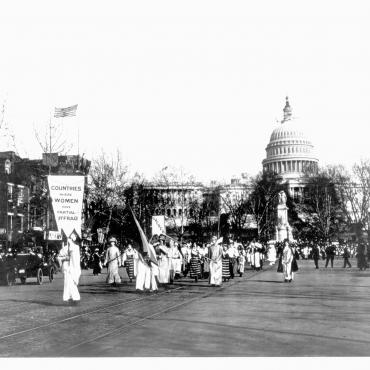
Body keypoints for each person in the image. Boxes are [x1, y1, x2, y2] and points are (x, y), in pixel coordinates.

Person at [57, 230, 81, 304]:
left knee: (72, 282)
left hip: (74, 266)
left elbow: (76, 258)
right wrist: (64, 259)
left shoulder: (76, 247)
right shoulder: (65, 248)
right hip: (67, 267)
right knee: (68, 282)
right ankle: (71, 297)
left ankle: (74, 297)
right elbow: (58, 257)